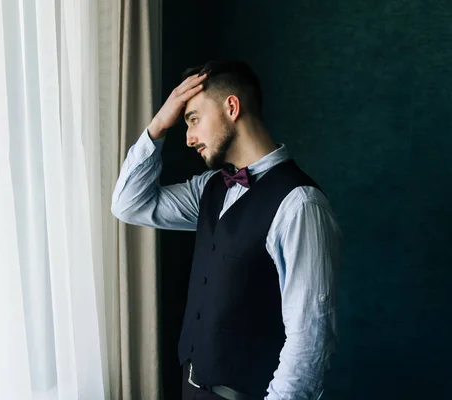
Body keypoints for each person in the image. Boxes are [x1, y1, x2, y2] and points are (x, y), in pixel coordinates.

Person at [111, 60, 342, 400]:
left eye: (193, 120)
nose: (188, 138)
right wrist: (159, 125)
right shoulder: (209, 189)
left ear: (231, 107)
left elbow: (310, 337)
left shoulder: (300, 205)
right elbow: (129, 205)